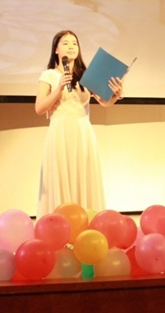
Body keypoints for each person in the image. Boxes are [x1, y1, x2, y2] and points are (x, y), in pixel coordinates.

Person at [35, 30, 124, 217]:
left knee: (83, 176)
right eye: (66, 43)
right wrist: (59, 87)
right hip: (60, 132)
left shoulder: (86, 76)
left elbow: (104, 102)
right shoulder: (49, 75)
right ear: (56, 50)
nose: (71, 47)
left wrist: (115, 95)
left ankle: (86, 221)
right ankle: (60, 222)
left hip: (83, 131)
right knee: (61, 176)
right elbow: (40, 108)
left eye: (74, 43)